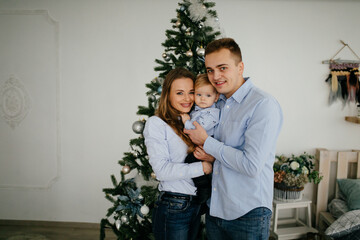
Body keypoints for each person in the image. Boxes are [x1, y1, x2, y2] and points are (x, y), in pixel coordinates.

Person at [184, 38, 283, 240]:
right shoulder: (215, 103)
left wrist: (207, 143)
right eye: (210, 70)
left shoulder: (263, 104)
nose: (215, 76)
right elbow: (222, 156)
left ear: (240, 67)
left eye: (222, 68)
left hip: (248, 214)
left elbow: (251, 165)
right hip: (215, 209)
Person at [143, 67, 213, 240]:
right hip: (174, 205)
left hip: (195, 204)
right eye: (180, 93)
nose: (188, 98)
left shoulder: (192, 121)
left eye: (191, 92)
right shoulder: (157, 124)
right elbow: (162, 171)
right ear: (168, 94)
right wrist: (202, 167)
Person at [180, 73, 219, 205]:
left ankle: (204, 189)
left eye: (208, 95)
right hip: (198, 144)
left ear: (216, 97)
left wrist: (186, 121)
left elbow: (198, 128)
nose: (203, 99)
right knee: (190, 161)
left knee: (191, 161)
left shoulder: (212, 113)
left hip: (206, 145)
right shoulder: (197, 110)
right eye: (199, 94)